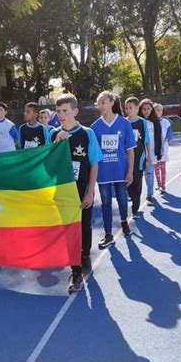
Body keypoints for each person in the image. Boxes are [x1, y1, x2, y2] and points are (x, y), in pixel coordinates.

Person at [49, 93, 103, 293]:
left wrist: (90, 191)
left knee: (84, 228)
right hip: (62, 192)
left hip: (81, 191)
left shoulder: (87, 133)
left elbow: (94, 163)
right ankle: (76, 271)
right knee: (69, 230)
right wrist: (57, 142)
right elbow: (46, 164)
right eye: (58, 111)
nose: (61, 115)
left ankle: (85, 255)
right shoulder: (52, 134)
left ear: (75, 111)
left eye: (65, 111)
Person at [91, 91, 135, 248]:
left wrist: (130, 171)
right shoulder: (94, 127)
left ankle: (124, 221)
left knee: (123, 199)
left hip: (120, 171)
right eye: (98, 103)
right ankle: (108, 232)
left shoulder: (124, 124)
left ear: (111, 102)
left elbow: (130, 150)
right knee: (105, 202)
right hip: (103, 173)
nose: (101, 106)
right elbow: (93, 154)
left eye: (103, 102)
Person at [124, 97, 150, 218]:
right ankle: (132, 200)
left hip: (140, 157)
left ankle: (135, 207)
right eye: (126, 108)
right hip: (126, 158)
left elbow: (147, 140)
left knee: (137, 182)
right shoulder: (123, 123)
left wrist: (149, 156)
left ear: (136, 108)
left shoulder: (142, 122)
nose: (128, 110)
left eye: (131, 108)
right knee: (128, 181)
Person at [139, 99, 162, 205]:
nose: (146, 111)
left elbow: (159, 138)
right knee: (139, 175)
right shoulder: (138, 122)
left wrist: (159, 152)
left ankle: (150, 194)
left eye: (148, 109)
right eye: (144, 109)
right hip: (139, 153)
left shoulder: (155, 123)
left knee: (149, 173)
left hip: (151, 153)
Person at [154, 103, 173, 193]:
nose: (158, 112)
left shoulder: (166, 122)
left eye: (160, 110)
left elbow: (169, 133)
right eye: (156, 110)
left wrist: (166, 139)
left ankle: (163, 184)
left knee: (163, 167)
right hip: (154, 149)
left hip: (163, 148)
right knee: (156, 167)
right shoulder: (151, 122)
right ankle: (158, 184)